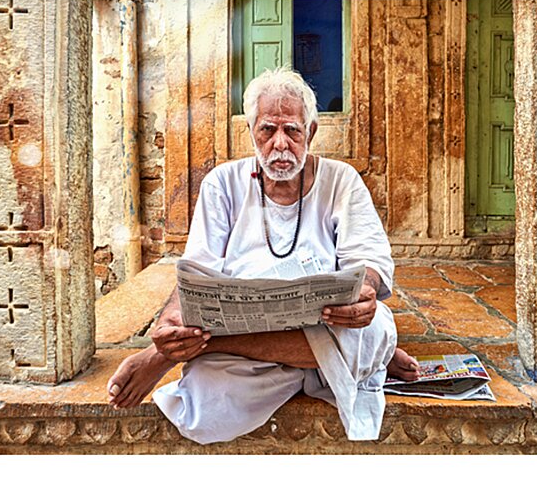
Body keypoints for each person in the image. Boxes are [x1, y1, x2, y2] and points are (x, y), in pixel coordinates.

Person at [106, 66, 420, 444]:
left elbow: (368, 258)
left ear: (311, 132)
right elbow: (198, 269)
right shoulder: (222, 183)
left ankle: (218, 346)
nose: (280, 144)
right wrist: (170, 326)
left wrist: (365, 292)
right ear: (251, 131)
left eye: (292, 131)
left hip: (307, 327)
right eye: (268, 130)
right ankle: (323, 365)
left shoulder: (341, 179)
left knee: (374, 328)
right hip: (265, 332)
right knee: (204, 408)